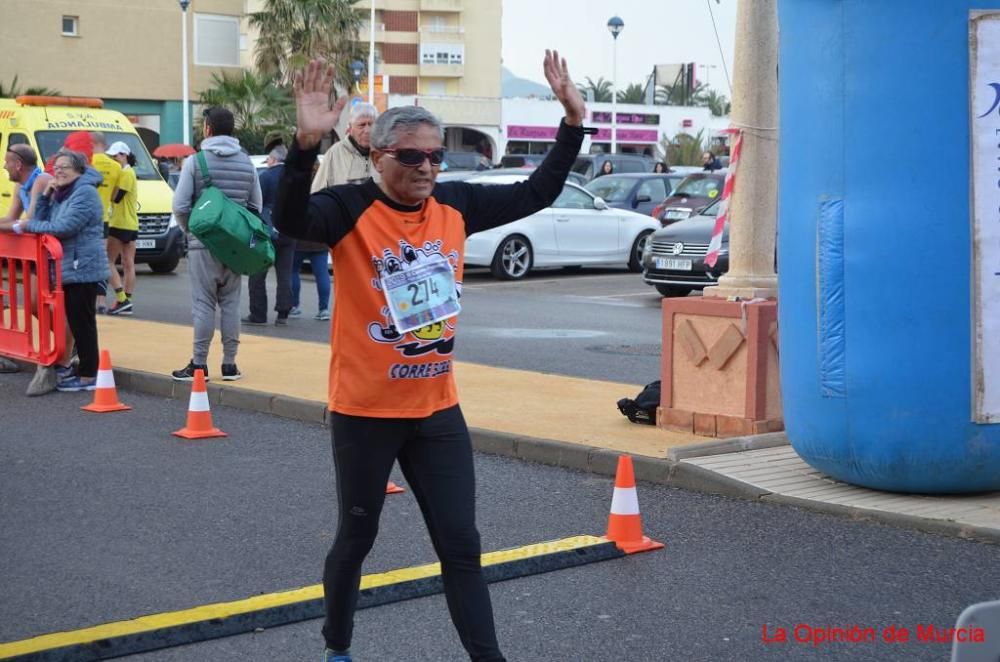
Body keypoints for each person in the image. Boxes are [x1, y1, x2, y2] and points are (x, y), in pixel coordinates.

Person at [273, 49, 585, 662]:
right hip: (365, 410)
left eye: (436, 156)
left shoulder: (455, 207)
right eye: (411, 156)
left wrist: (572, 122)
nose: (426, 167)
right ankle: (337, 647)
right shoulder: (348, 207)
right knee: (358, 535)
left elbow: (537, 192)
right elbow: (289, 223)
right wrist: (306, 145)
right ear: (377, 155)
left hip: (436, 410)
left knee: (461, 544)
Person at [0, 150, 109, 392]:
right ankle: (75, 369)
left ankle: (88, 376)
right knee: (74, 318)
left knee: (83, 321)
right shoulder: (60, 192)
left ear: (79, 170)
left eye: (64, 167)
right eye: (56, 167)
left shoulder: (85, 192)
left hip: (84, 266)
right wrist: (46, 197)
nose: (58, 171)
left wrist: (28, 225)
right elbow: (43, 218)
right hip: (68, 266)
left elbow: (63, 227)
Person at [170, 107, 261, 382]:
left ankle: (199, 365)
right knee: (232, 304)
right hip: (235, 247)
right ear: (233, 130)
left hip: (203, 245)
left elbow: (180, 204)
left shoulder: (196, 162)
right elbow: (256, 205)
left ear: (207, 128)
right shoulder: (247, 163)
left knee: (203, 304)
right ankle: (230, 364)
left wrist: (191, 231)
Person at [0, 145, 54, 377]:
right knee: (33, 304)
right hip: (36, 253)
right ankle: (64, 345)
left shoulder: (41, 180)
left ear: (18, 164)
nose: (4, 166)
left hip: (53, 252)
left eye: (6, 162)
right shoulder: (19, 185)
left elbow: (28, 221)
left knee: (46, 303)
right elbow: (12, 218)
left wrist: (12, 226)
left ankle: (71, 346)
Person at [243, 144, 295, 326]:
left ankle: (258, 314)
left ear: (273, 160)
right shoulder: (293, 178)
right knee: (284, 274)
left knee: (257, 272)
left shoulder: (264, 177)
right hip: (288, 232)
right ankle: (283, 313)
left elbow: (255, 204)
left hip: (266, 232)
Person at [104, 141, 138, 316]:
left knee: (107, 261)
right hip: (131, 223)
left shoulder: (126, 174)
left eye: (115, 156)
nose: (113, 159)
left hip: (119, 222)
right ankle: (126, 300)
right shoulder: (129, 172)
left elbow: (116, 198)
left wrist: (106, 188)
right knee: (127, 263)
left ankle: (122, 298)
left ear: (124, 155)